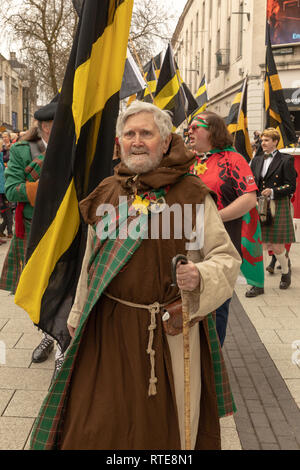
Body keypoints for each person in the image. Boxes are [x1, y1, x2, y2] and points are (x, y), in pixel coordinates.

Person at [30, 101, 241, 450]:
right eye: (129, 134)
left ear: (165, 140)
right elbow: (92, 261)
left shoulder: (190, 195)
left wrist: (201, 274)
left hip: (167, 330)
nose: (137, 141)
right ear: (120, 142)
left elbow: (225, 258)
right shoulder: (110, 192)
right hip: (107, 325)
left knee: (164, 428)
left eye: (146, 133)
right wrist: (78, 310)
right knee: (96, 420)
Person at [0, 98, 64, 382]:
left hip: (67, 229)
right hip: (35, 230)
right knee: (40, 290)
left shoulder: (74, 149)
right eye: (52, 125)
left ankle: (62, 348)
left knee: (65, 287)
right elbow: (12, 190)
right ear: (43, 127)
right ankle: (47, 335)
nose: (56, 130)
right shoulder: (23, 151)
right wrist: (49, 187)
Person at [188, 112, 257, 345]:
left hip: (220, 246)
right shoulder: (189, 160)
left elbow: (249, 198)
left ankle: (212, 365)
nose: (190, 130)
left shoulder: (232, 159)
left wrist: (213, 217)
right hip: (189, 246)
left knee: (216, 308)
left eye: (196, 126)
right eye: (189, 127)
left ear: (213, 130)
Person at [250, 127, 297, 291]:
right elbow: (252, 183)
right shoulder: (256, 160)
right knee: (259, 245)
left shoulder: (286, 160)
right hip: (260, 205)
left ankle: (285, 271)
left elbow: (292, 186)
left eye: (266, 140)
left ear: (275, 142)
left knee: (277, 247)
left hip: (277, 204)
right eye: (262, 140)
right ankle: (257, 284)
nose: (263, 143)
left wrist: (273, 191)